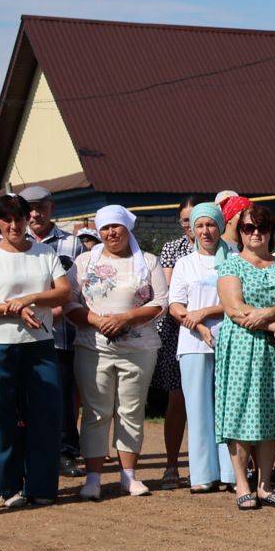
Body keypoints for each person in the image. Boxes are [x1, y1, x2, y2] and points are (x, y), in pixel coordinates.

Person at [0, 193, 71, 510]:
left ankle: (41, 485)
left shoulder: (45, 252)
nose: (14, 225)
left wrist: (29, 300)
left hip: (39, 345)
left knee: (45, 414)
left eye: (20, 218)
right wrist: (11, 310)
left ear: (27, 219)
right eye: (7, 219)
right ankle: (6, 486)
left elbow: (63, 291)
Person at [67, 206, 169, 501]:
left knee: (131, 410)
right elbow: (71, 303)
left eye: (117, 227)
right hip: (92, 346)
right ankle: (94, 477)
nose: (112, 233)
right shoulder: (84, 261)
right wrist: (97, 321)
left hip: (139, 348)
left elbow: (160, 302)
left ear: (127, 228)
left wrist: (125, 319)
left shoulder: (147, 261)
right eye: (105, 228)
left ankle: (129, 477)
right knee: (96, 411)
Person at [214, 201, 275, 510]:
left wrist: (270, 314)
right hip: (243, 348)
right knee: (241, 414)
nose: (256, 233)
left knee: (272, 413)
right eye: (248, 227)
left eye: (262, 227)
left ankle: (266, 484)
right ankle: (243, 483)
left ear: (272, 232)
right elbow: (234, 309)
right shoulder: (231, 265)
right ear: (239, 232)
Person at [19, 185, 84, 478]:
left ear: (52, 209)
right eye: (29, 208)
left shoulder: (73, 245)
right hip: (21, 335)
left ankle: (67, 453)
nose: (35, 214)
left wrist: (55, 313)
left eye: (41, 207)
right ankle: (28, 453)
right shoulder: (12, 243)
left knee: (63, 398)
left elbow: (78, 290)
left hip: (61, 336)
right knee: (24, 397)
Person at [168, 202, 232, 494]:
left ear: (220, 225)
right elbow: (176, 306)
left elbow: (239, 301)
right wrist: (198, 325)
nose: (206, 231)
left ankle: (232, 473)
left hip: (232, 341)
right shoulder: (185, 263)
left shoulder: (233, 257)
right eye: (200, 225)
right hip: (194, 344)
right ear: (192, 230)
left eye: (211, 224)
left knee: (229, 409)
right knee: (198, 410)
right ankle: (203, 474)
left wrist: (205, 313)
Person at [151, 197, 197, 489]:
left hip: (212, 325)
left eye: (195, 218)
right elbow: (170, 294)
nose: (191, 225)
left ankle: (207, 465)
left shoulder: (223, 250)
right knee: (177, 398)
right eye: (185, 220)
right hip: (178, 328)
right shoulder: (172, 248)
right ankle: (171, 465)